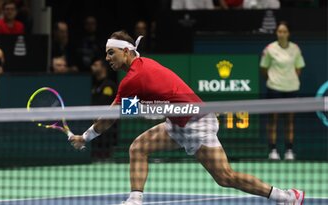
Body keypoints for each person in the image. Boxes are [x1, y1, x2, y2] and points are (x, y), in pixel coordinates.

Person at [69, 30, 304, 205]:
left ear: (127, 51)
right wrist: (145, 110)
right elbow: (134, 107)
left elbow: (111, 117)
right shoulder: (140, 67)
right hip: (177, 123)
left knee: (225, 177)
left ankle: (286, 197)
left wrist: (85, 138)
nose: (108, 58)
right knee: (138, 148)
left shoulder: (132, 78)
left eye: (111, 52)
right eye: (106, 54)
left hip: (196, 123)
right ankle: (135, 200)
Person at [260, 21, 305, 161]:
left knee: (289, 121)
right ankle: (273, 150)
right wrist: (275, 80)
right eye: (279, 31)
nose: (282, 34)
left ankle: (289, 151)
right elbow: (264, 69)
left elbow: (298, 69)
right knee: (273, 120)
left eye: (284, 31)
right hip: (274, 88)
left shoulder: (295, 49)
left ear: (288, 33)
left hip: (291, 89)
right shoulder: (269, 49)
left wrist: (289, 80)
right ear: (276, 33)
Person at [90, 57, 117, 159]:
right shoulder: (94, 85)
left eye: (96, 65)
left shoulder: (109, 85)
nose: (92, 67)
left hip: (107, 125)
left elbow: (106, 104)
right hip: (95, 124)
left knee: (105, 154)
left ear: (103, 68)